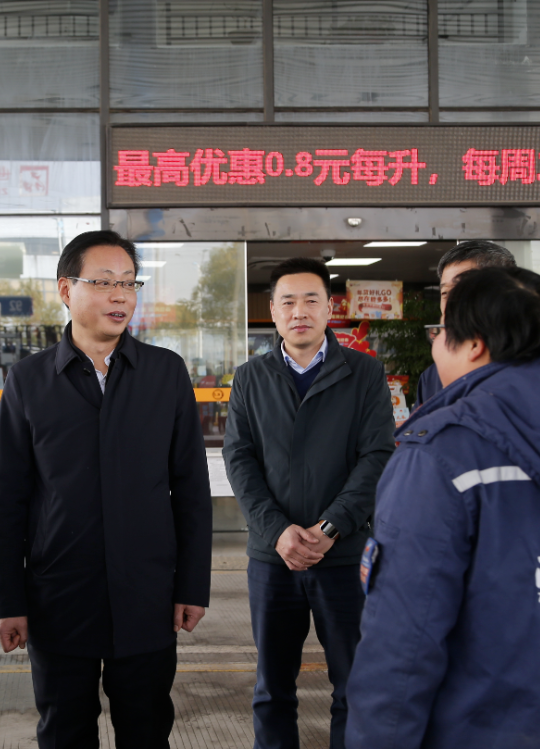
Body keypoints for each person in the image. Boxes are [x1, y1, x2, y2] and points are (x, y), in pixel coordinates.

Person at [345, 267, 540, 749]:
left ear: (474, 345)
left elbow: (402, 647)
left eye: (440, 330)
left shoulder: (441, 455)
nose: (435, 343)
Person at [0, 230, 212, 749]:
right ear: (66, 289)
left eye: (129, 283)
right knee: (64, 731)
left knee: (146, 730)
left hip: (147, 595)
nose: (120, 296)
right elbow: (5, 502)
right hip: (59, 596)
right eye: (105, 282)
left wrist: (191, 586)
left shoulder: (165, 373)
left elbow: (191, 492)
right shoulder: (28, 381)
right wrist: (8, 599)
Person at [223, 257, 395, 749]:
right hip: (271, 558)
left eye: (311, 300)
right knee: (272, 688)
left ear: (329, 308)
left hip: (342, 556)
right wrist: (277, 530)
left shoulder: (365, 373)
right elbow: (240, 459)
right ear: (273, 311)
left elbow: (378, 455)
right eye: (288, 302)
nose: (299, 311)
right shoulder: (250, 377)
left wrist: (332, 526)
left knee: (354, 685)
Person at [415, 240, 516, 406]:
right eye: (445, 293)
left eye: (463, 291)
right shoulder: (432, 376)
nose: (451, 304)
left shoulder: (538, 372)